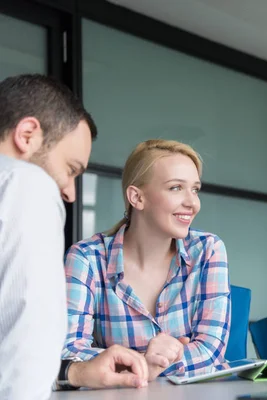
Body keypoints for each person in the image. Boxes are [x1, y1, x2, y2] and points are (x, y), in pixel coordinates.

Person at [0, 74, 148, 400]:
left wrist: (75, 372)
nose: (69, 193)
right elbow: (25, 350)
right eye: (71, 169)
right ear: (27, 135)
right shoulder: (26, 183)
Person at [62, 139, 231, 380]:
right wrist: (146, 364)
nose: (192, 203)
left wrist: (135, 365)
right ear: (137, 197)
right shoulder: (86, 258)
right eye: (176, 188)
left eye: (195, 189)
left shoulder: (208, 250)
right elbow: (69, 354)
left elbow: (211, 352)